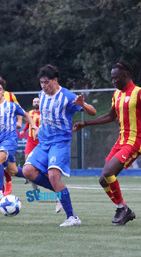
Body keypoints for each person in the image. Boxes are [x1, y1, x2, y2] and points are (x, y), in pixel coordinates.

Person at [73, 61, 141, 225]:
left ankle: (121, 210)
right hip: (121, 141)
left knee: (109, 172)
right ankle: (124, 209)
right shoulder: (116, 95)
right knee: (103, 180)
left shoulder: (140, 93)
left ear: (125, 76)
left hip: (135, 142)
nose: (113, 81)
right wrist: (85, 123)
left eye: (116, 78)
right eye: (111, 78)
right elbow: (110, 117)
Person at [23, 64, 96, 227]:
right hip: (43, 142)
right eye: (41, 82)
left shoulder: (68, 96)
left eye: (46, 82)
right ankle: (60, 192)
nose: (43, 86)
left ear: (55, 80)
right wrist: (39, 127)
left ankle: (72, 217)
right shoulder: (41, 94)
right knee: (27, 171)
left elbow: (93, 112)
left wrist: (83, 104)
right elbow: (47, 116)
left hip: (59, 143)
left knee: (54, 176)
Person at [0, 78, 38, 202]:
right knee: (14, 171)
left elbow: (26, 115)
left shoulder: (11, 105)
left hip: (10, 141)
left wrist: (34, 126)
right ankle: (35, 177)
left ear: (3, 91)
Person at [21, 97, 41, 190]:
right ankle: (29, 177)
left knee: (39, 160)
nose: (36, 103)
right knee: (27, 158)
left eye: (38, 101)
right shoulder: (30, 113)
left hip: (40, 140)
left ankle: (35, 178)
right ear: (33, 103)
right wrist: (23, 131)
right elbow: (28, 123)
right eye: (35, 102)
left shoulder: (44, 113)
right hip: (30, 139)